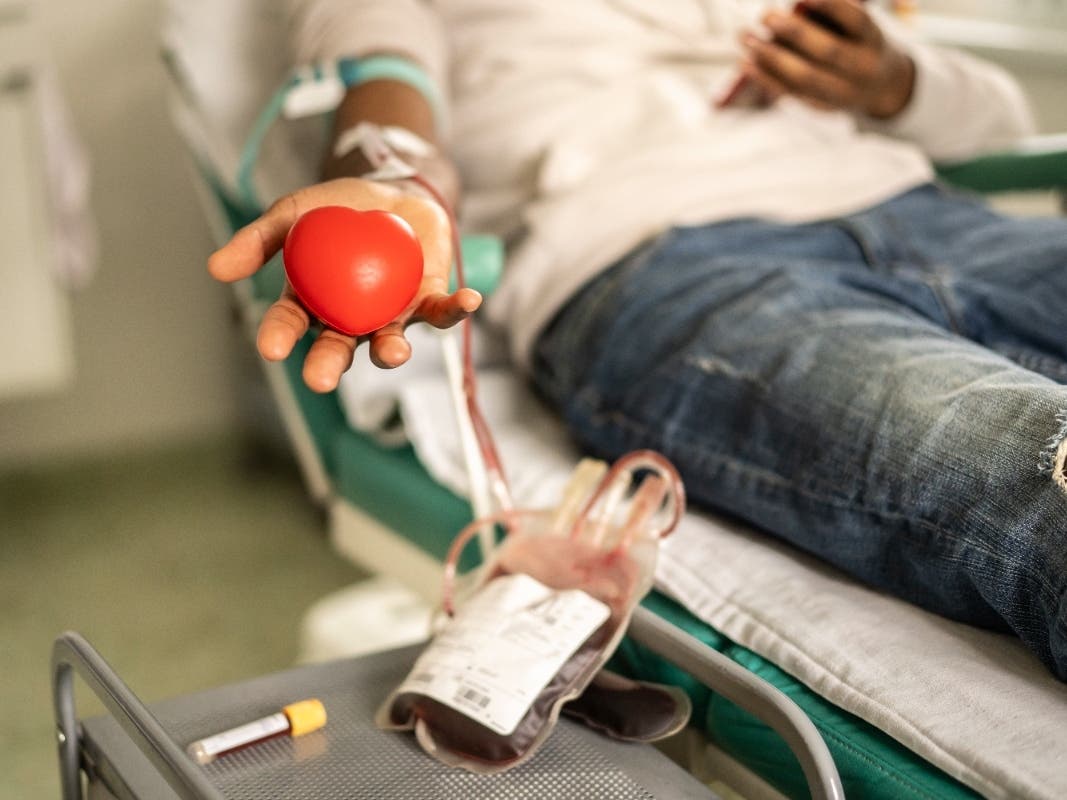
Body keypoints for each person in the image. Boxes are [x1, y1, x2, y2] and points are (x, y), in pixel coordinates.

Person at [207, 0, 1067, 680]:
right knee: (1039, 465)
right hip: (658, 261)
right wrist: (387, 174)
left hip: (928, 212)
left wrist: (888, 79)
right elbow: (379, 80)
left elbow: (996, 123)